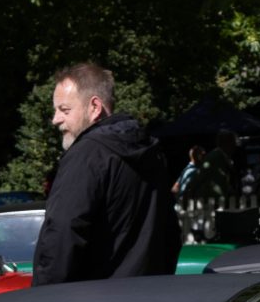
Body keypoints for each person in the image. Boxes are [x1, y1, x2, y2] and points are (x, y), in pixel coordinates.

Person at [32, 61, 179, 285]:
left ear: (94, 107)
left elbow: (62, 234)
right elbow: (170, 234)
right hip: (150, 301)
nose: (55, 120)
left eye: (64, 110)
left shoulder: (88, 154)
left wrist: (39, 301)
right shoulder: (151, 152)